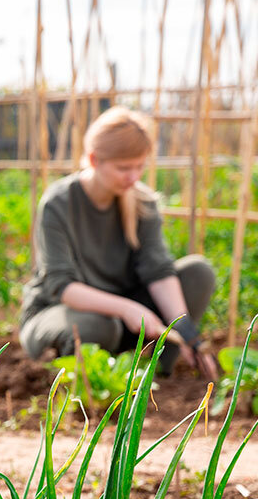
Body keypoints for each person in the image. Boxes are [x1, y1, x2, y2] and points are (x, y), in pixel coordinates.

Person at [20, 106, 217, 378]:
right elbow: (61, 286)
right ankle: (77, 381)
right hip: (62, 315)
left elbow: (158, 271)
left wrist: (188, 334)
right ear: (93, 159)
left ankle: (159, 377)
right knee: (100, 326)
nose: (133, 177)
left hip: (124, 322)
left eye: (139, 166)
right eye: (124, 168)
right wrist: (126, 308)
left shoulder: (142, 201)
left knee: (198, 272)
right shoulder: (59, 203)